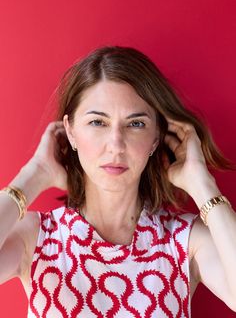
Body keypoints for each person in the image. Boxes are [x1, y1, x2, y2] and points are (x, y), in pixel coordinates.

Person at [0, 46, 235, 318]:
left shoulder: (184, 241)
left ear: (156, 137)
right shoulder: (36, 236)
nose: (116, 145)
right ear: (71, 131)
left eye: (135, 124)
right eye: (98, 122)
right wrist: (33, 175)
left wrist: (201, 183)